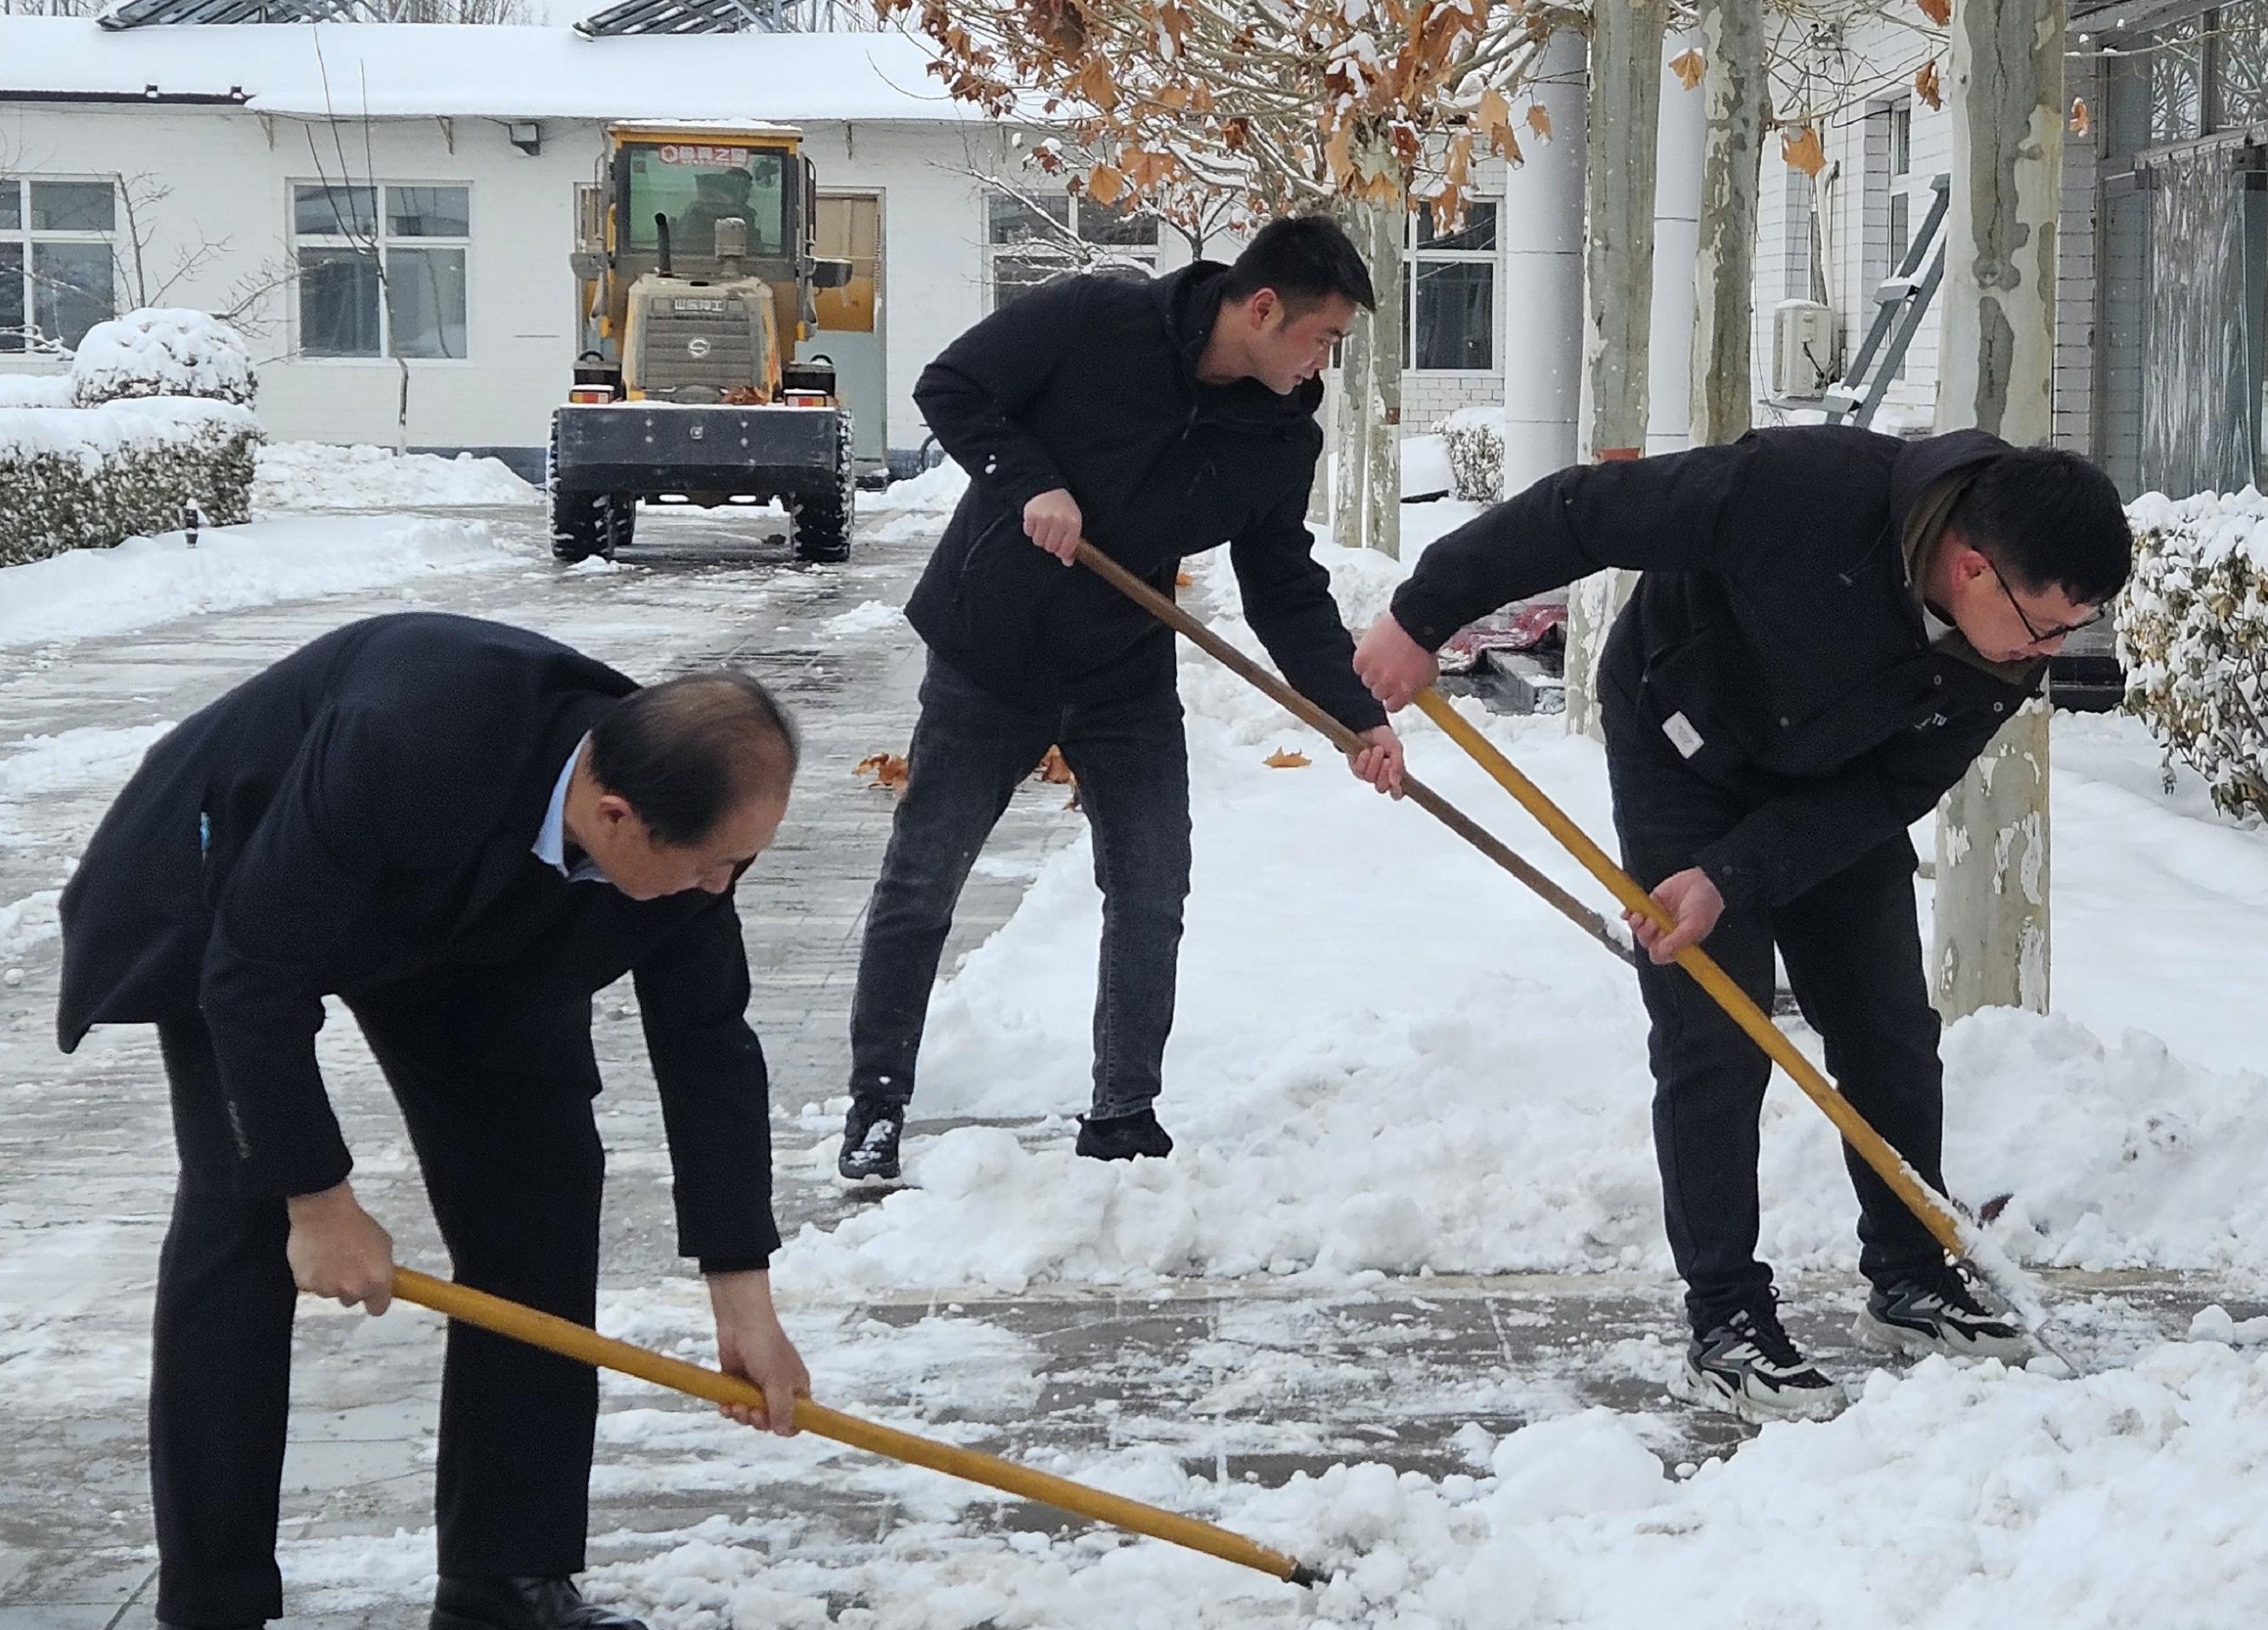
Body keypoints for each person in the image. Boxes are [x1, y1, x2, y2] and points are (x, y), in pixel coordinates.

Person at [56, 613, 814, 1630]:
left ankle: (504, 1568)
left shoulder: (683, 816)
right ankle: (210, 1613)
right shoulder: (408, 737)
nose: (723, 887)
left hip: (470, 925)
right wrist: (317, 1197)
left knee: (543, 1185)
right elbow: (254, 970)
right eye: (713, 865)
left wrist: (741, 1284)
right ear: (616, 815)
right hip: (247, 893)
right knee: (241, 1213)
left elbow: (707, 1040)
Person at [1354, 429, 2132, 1423]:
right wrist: (1424, 613)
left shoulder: (2001, 654)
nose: (2049, 654)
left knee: (1887, 1026)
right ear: (1974, 566)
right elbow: (1586, 511)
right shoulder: (1799, 491)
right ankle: (1725, 1319)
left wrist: (1740, 873)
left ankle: (1911, 1276)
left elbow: (1892, 789)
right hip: (1685, 738)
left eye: (2073, 631)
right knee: (1712, 1035)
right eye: (2045, 627)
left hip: (1833, 785)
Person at [837, 215, 1406, 1184]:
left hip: (1122, 677)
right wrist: (1032, 483)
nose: (1324, 366)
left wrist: (1355, 715)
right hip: (990, 653)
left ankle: (1122, 1110)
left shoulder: (1277, 434)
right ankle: (877, 1107)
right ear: (1263, 309)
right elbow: (954, 387)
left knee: (1150, 886)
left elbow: (1283, 588)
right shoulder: (1099, 318)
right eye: (1323, 340)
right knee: (924, 881)